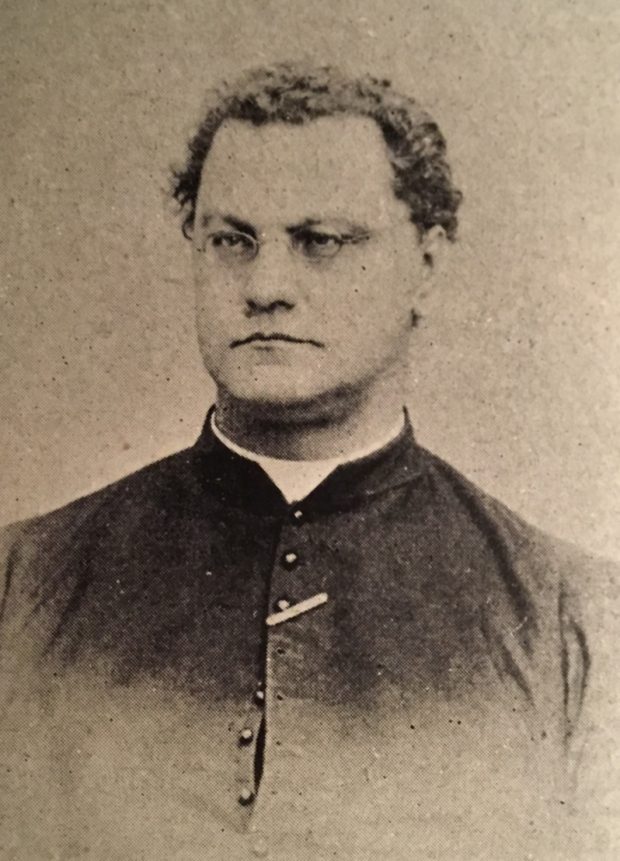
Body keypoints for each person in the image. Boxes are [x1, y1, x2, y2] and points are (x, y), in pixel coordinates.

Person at [0, 62, 617, 860]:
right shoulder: (20, 582)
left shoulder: (572, 622)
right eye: (232, 240)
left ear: (425, 264)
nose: (266, 286)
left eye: (320, 242)